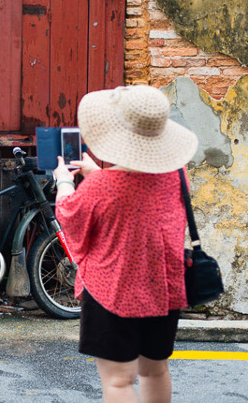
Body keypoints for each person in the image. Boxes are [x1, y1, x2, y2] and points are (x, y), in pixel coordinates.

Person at [53, 85, 198, 403]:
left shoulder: (103, 186)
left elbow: (69, 214)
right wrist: (97, 174)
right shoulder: (177, 173)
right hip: (163, 287)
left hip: (112, 289)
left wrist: (64, 181)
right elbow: (136, 194)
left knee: (119, 381)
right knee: (155, 370)